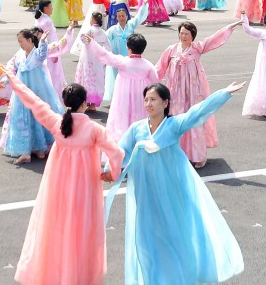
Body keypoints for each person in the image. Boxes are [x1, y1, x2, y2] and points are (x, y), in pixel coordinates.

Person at [106, 81, 247, 285]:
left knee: (173, 237)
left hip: (170, 193)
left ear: (165, 103)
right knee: (146, 241)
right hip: (145, 195)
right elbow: (120, 152)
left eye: (153, 99)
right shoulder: (136, 129)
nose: (148, 103)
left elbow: (197, 112)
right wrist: (106, 170)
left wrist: (222, 93)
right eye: (146, 99)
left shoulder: (174, 125)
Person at [3, 72, 124, 285]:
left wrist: (14, 81)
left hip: (58, 187)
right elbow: (117, 153)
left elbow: (34, 101)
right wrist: (111, 173)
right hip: (85, 188)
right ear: (85, 103)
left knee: (58, 228)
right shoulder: (94, 129)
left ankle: (57, 275)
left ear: (65, 102)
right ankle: (79, 276)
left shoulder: (57, 123)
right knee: (82, 230)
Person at [155, 20, 240, 167]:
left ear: (192, 35)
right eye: (181, 33)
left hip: (194, 92)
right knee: (177, 121)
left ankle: (198, 156)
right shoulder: (171, 50)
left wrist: (230, 27)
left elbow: (213, 39)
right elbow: (159, 67)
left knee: (195, 120)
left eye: (186, 34)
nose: (183, 36)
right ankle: (178, 154)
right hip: (176, 93)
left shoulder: (198, 48)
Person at [83, 32, 159, 142]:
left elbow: (105, 55)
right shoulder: (148, 65)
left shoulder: (123, 62)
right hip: (141, 98)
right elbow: (155, 82)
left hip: (124, 98)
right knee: (140, 119)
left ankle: (122, 144)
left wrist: (93, 43)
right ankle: (140, 141)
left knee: (122, 118)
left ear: (129, 48)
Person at [1, 30, 63, 164]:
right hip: (22, 92)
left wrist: (43, 41)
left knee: (39, 115)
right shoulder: (19, 55)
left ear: (29, 40)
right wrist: (5, 81)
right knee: (24, 118)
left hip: (38, 91)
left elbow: (42, 54)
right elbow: (15, 71)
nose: (20, 44)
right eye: (19, 42)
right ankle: (26, 152)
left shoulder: (37, 53)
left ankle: (40, 148)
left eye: (21, 41)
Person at [104, 2, 149, 104]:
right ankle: (118, 97)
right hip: (117, 56)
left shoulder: (131, 25)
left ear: (126, 16)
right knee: (116, 77)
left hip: (129, 56)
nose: (121, 18)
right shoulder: (112, 30)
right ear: (117, 18)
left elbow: (139, 17)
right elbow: (104, 39)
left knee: (129, 76)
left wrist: (144, 6)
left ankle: (129, 95)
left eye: (123, 16)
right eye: (119, 16)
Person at [72, 11, 111, 111]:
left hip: (88, 58)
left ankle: (85, 102)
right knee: (97, 80)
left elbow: (83, 39)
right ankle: (93, 104)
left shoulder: (89, 30)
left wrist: (90, 41)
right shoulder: (103, 32)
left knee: (86, 78)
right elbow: (108, 47)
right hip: (98, 60)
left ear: (93, 19)